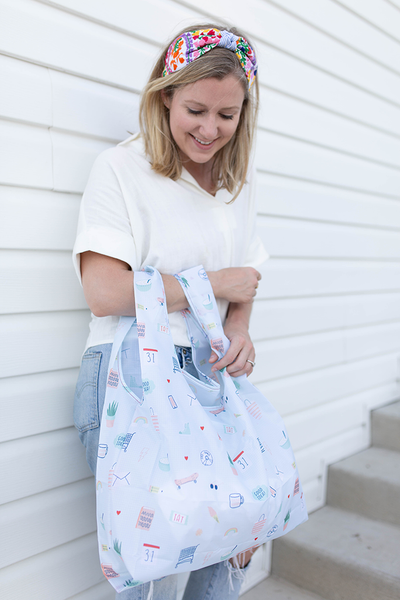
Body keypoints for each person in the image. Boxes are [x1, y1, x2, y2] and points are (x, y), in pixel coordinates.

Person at [72, 24, 269, 600]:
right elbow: (105, 291)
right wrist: (212, 285)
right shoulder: (122, 169)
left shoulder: (238, 183)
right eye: (195, 109)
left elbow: (246, 281)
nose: (210, 130)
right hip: (130, 376)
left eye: (227, 115)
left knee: (235, 536)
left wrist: (238, 328)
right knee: (148, 557)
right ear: (164, 96)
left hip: (210, 377)